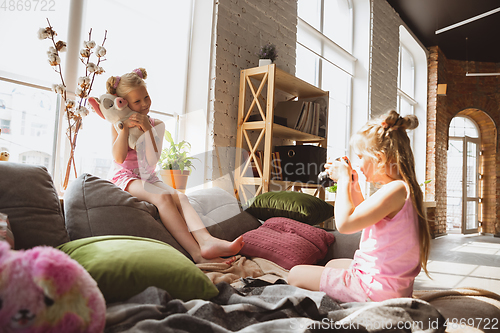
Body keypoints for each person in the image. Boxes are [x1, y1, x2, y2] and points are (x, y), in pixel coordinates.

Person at [288, 110, 431, 302]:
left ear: (379, 158)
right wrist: (354, 186)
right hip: (388, 286)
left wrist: (344, 180)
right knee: (333, 263)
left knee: (295, 274)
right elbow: (366, 218)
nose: (359, 165)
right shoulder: (403, 189)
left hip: (372, 290)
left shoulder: (395, 189)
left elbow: (345, 224)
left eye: (361, 157)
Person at [106, 68, 244, 264]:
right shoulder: (117, 124)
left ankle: (206, 241)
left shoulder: (157, 124)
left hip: (148, 176)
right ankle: (196, 255)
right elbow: (119, 158)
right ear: (124, 103)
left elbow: (152, 161)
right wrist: (124, 130)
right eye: (137, 101)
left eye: (147, 97)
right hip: (125, 177)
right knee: (163, 197)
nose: (145, 104)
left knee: (181, 197)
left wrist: (146, 129)